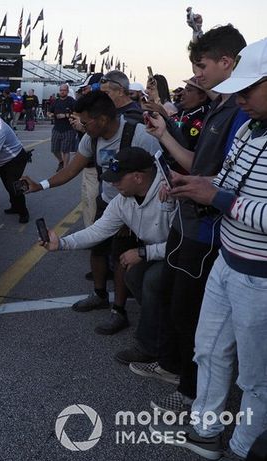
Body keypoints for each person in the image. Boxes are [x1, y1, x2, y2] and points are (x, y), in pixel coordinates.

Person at [152, 37, 267, 461]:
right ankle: (206, 429)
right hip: (227, 259)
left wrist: (217, 198)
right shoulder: (251, 125)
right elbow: (227, 180)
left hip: (259, 276)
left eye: (249, 88)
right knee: (209, 349)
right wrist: (197, 187)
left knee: (256, 377)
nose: (239, 98)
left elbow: (232, 198)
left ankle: (242, 449)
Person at [136, 25, 248, 415]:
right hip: (188, 226)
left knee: (193, 317)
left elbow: (226, 183)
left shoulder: (239, 113)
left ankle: (191, 393)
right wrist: (165, 134)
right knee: (177, 306)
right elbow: (198, 168)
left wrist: (207, 189)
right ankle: (180, 377)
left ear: (227, 63)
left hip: (209, 234)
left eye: (200, 66)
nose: (195, 76)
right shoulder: (223, 109)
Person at [22, 91, 161, 335]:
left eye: (85, 122)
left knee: (121, 257)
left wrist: (135, 213)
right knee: (97, 247)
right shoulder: (91, 139)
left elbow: (158, 173)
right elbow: (71, 169)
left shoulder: (139, 135)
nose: (82, 127)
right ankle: (99, 294)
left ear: (103, 120)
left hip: (134, 204)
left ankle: (119, 311)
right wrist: (41, 185)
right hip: (109, 201)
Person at [40, 147, 175, 363]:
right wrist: (62, 243)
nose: (113, 184)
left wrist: (143, 252)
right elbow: (98, 231)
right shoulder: (123, 200)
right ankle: (162, 327)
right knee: (133, 276)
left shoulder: (170, 194)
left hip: (181, 257)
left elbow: (184, 245)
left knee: (151, 280)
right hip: (156, 252)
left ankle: (152, 347)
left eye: (118, 179)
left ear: (138, 177)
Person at [168, 77, 212, 154]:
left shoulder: (202, 115)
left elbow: (185, 144)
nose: (182, 93)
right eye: (184, 89)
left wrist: (165, 116)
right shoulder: (183, 111)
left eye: (188, 90)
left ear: (202, 97)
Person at [47, 83, 77, 171]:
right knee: (54, 149)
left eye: (64, 90)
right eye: (61, 90)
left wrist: (65, 115)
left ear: (67, 91)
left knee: (65, 150)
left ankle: (65, 168)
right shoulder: (56, 101)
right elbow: (49, 112)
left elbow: (76, 113)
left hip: (68, 129)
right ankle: (61, 161)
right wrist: (50, 115)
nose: (62, 92)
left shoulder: (71, 101)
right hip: (57, 128)